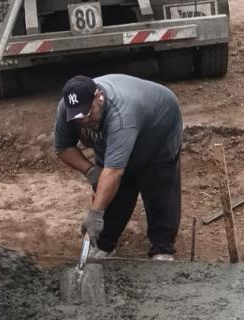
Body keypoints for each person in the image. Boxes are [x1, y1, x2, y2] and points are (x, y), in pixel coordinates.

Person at [54, 74, 183, 261]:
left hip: (158, 128)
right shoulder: (68, 108)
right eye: (78, 117)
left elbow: (114, 171)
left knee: (157, 185)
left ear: (99, 96)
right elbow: (62, 147)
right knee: (112, 191)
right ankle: (104, 243)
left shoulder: (122, 114)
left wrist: (95, 213)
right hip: (116, 136)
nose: (83, 121)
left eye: (87, 113)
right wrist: (91, 171)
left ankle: (162, 248)